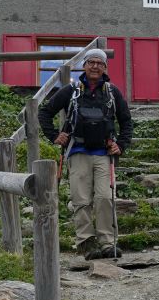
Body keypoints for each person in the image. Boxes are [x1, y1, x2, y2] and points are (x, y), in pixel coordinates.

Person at [38, 49, 132, 259]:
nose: (95, 66)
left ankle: (107, 243)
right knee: (80, 200)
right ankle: (86, 243)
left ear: (105, 68)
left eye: (100, 63)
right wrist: (54, 135)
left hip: (103, 154)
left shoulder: (112, 92)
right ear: (84, 65)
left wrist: (122, 145)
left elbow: (126, 121)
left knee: (105, 197)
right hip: (77, 151)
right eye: (91, 62)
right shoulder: (70, 90)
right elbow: (44, 112)